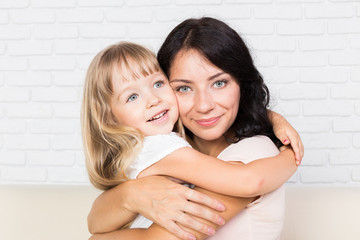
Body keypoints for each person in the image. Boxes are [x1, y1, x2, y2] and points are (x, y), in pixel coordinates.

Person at [84, 17, 303, 240]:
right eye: (184, 88)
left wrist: (285, 147)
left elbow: (250, 180)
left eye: (219, 83)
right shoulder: (167, 144)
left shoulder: (256, 151)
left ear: (242, 84)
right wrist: (131, 194)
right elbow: (94, 220)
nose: (204, 105)